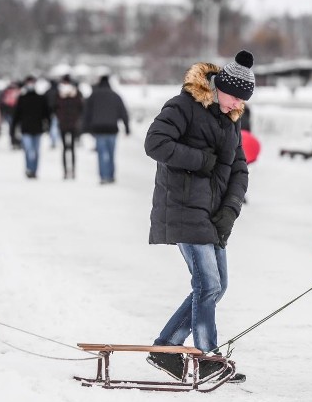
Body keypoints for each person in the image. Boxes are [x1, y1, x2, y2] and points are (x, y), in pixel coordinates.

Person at [144, 50, 255, 382]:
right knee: (207, 284)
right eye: (234, 96)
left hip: (211, 215)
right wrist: (201, 161)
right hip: (182, 208)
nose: (238, 104)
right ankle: (208, 358)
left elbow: (240, 170)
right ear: (218, 86)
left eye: (243, 100)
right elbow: (155, 143)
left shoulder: (230, 121)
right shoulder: (183, 107)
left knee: (217, 287)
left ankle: (165, 347)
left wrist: (229, 213)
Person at [82, 74, 130, 184]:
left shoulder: (93, 96)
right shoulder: (115, 95)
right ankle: (111, 176)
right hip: (112, 129)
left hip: (98, 129)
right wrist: (127, 128)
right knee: (111, 154)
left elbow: (87, 113)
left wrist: (85, 128)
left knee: (101, 154)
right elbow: (123, 112)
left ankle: (103, 176)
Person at [12, 75, 51, 178]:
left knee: (36, 151)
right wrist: (13, 128)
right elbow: (17, 114)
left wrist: (48, 126)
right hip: (26, 129)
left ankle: (34, 170)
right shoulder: (22, 98)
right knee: (28, 150)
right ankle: (29, 169)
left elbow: (46, 114)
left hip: (37, 129)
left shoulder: (40, 98)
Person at [55, 74, 84, 179]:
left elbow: (55, 108)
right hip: (71, 124)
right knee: (70, 149)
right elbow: (81, 108)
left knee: (67, 149)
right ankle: (70, 171)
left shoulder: (59, 94)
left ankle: (67, 171)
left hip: (65, 124)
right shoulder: (76, 94)